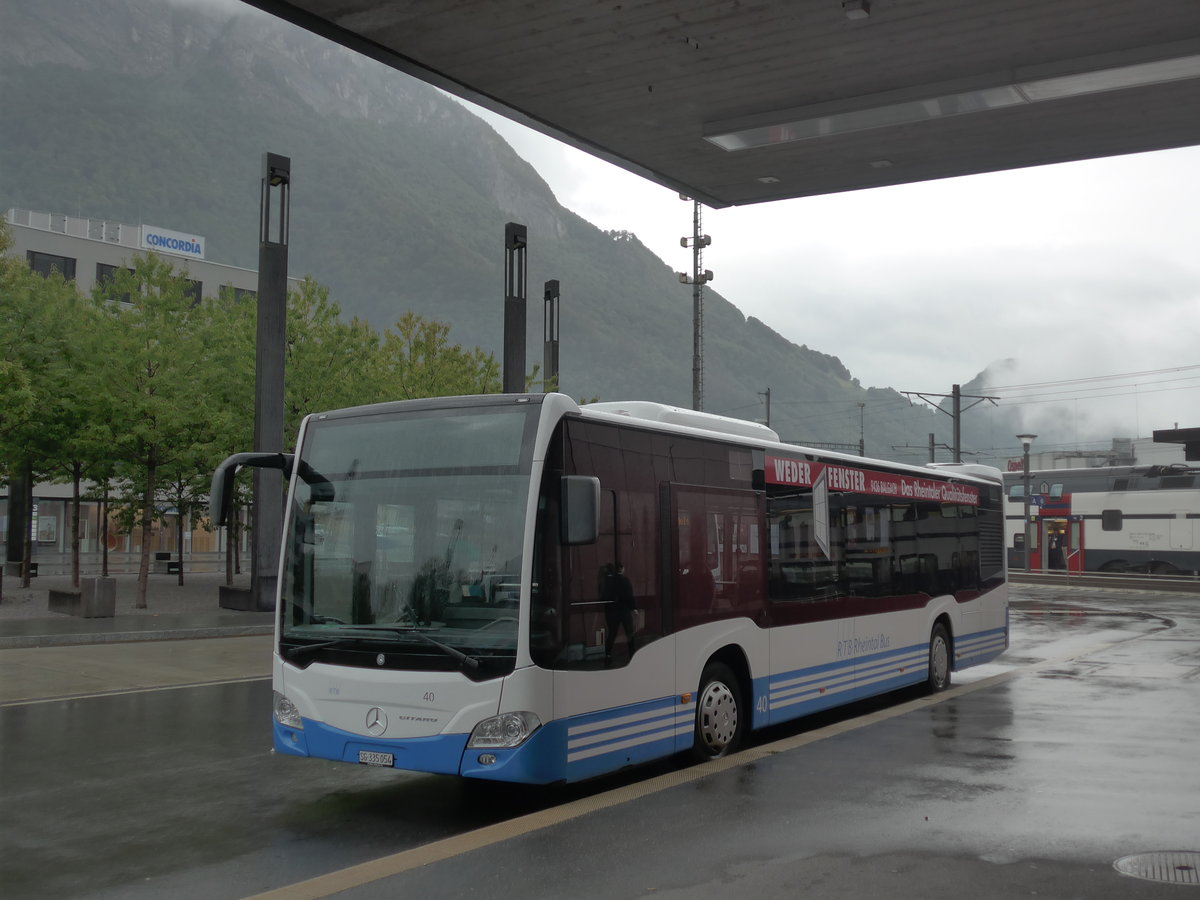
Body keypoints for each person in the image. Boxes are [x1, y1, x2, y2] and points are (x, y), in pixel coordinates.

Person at [603, 562, 636, 662]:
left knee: (612, 634)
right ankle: (632, 655)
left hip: (612, 612)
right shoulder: (626, 581)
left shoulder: (609, 581)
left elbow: (605, 595)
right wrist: (634, 608)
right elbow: (630, 596)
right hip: (625, 611)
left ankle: (608, 655)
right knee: (629, 633)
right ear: (622, 569)